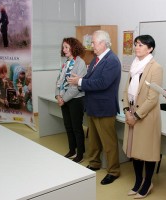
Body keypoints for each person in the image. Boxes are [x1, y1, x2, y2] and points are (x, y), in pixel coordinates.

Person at [68, 30, 121, 185]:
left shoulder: (112, 61)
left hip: (104, 108)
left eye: (94, 43)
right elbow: (90, 79)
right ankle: (94, 163)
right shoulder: (96, 59)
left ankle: (113, 171)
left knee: (109, 143)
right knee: (94, 140)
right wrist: (80, 80)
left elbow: (102, 83)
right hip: (92, 106)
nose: (91, 46)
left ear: (103, 43)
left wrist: (79, 82)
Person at [122, 35, 163, 199]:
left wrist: (136, 116)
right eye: (136, 44)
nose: (136, 47)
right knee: (135, 150)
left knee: (147, 150)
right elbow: (126, 90)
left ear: (150, 48)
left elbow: (153, 98)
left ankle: (147, 183)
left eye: (141, 45)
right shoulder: (134, 66)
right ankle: (138, 180)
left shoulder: (156, 67)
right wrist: (126, 110)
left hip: (145, 115)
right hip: (131, 111)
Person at [55, 37, 87, 163]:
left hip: (75, 99)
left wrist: (63, 99)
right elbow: (59, 80)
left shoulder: (80, 63)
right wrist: (58, 95)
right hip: (64, 98)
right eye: (63, 47)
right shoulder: (66, 62)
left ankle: (80, 153)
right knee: (68, 126)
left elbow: (76, 86)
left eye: (66, 47)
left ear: (74, 48)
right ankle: (72, 150)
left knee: (77, 128)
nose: (64, 50)